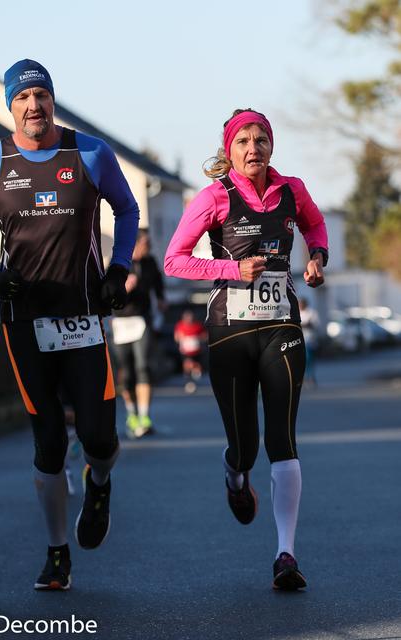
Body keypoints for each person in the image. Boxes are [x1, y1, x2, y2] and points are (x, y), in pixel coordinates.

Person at [0, 59, 139, 591]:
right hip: (24, 322)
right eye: (22, 97)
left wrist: (119, 269)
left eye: (41, 94)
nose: (33, 105)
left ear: (52, 100)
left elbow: (127, 210)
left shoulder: (90, 153)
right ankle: (57, 553)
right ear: (10, 106)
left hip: (83, 315)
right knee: (48, 444)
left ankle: (100, 483)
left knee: (99, 437)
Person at [164, 108, 328, 590]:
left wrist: (317, 257)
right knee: (246, 446)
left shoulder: (292, 190)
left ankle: (285, 554)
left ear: (272, 145)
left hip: (282, 326)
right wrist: (231, 270)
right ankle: (235, 475)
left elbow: (316, 227)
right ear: (229, 150)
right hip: (230, 331)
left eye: (261, 140)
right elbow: (175, 260)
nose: (253, 148)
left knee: (283, 439)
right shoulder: (215, 197)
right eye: (243, 141)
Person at [110, 229, 166, 438]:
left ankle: (144, 416)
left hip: (142, 319)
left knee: (143, 367)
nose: (148, 247)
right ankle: (131, 414)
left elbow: (158, 283)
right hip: (121, 322)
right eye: (145, 243)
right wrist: (123, 289)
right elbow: (106, 293)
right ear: (134, 244)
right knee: (126, 371)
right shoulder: (118, 263)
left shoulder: (149, 262)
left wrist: (161, 298)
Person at [174, 308, 207, 393]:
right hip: (185, 351)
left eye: (190, 317)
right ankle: (188, 381)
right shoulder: (180, 325)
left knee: (196, 366)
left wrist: (198, 339)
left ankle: (195, 373)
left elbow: (205, 336)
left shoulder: (198, 325)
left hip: (196, 350)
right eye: (187, 317)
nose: (189, 319)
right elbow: (176, 337)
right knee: (187, 364)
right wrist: (181, 338)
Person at [299, 297, 320, 386]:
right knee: (301, 359)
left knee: (309, 358)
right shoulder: (297, 312)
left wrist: (306, 324)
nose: (300, 305)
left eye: (302, 303)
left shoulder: (311, 313)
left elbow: (316, 324)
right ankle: (304, 377)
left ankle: (310, 377)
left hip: (310, 339)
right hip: (299, 340)